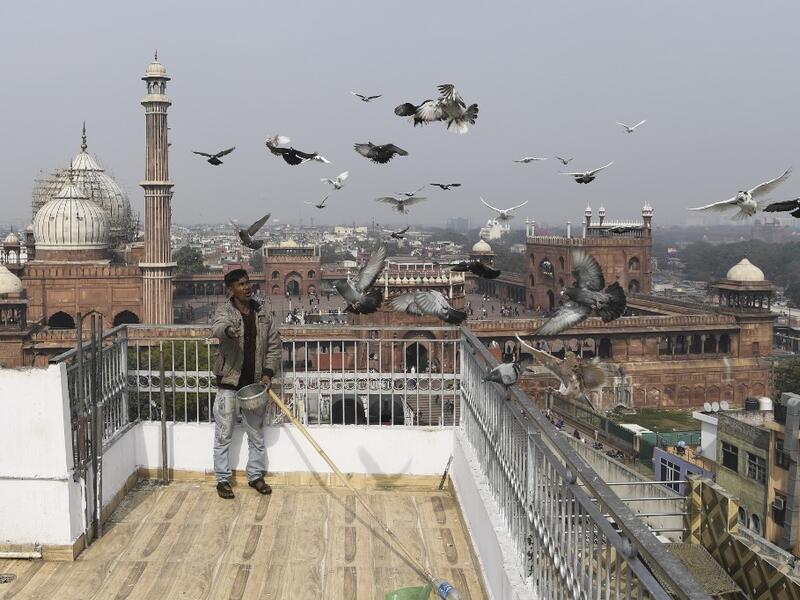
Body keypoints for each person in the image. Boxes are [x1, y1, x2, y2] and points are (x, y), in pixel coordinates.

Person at [211, 269, 282, 500]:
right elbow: (219, 327)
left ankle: (255, 475)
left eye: (248, 283)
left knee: (256, 434)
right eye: (241, 284)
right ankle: (222, 479)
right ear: (231, 290)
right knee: (223, 434)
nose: (247, 287)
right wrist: (229, 332)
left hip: (254, 384)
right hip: (229, 382)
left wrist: (268, 373)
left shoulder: (263, 314)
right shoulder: (225, 312)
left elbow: (273, 346)